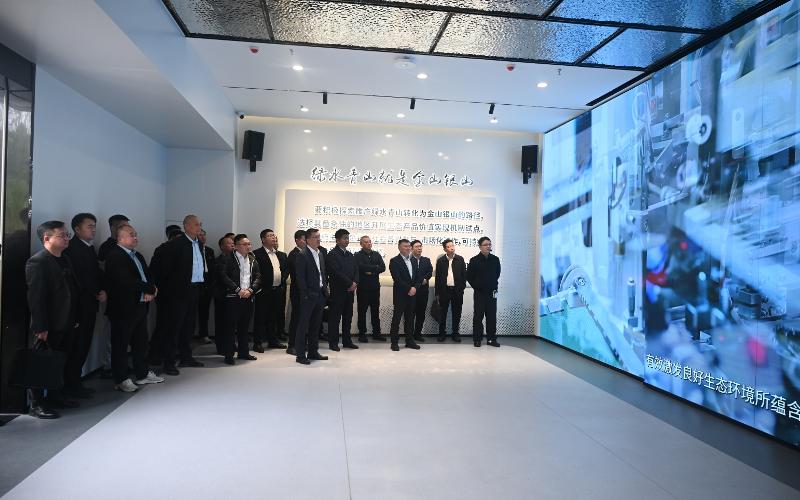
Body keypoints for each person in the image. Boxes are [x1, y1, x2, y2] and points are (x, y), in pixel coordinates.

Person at [25, 221, 80, 419]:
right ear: (47, 238)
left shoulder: (64, 259)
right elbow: (36, 297)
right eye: (62, 235)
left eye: (67, 235)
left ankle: (56, 396)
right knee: (41, 364)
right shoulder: (38, 262)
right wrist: (40, 326)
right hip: (49, 324)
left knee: (60, 362)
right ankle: (37, 404)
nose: (66, 238)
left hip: (67, 321)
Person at [104, 225, 164, 392]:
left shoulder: (137, 255)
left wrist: (151, 289)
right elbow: (126, 281)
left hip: (140, 305)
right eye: (131, 235)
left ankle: (142, 374)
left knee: (141, 343)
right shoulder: (115, 256)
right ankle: (121, 379)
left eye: (136, 234)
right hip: (122, 308)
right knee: (121, 345)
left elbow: (148, 275)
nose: (136, 237)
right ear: (120, 238)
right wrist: (150, 289)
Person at [153, 214, 206, 375]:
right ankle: (168, 362)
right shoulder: (174, 245)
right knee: (173, 328)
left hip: (194, 290)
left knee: (189, 326)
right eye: (196, 224)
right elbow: (166, 271)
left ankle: (186, 357)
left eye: (200, 224)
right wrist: (171, 291)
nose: (199, 227)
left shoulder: (198, 243)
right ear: (186, 226)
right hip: (177, 293)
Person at [62, 213, 106, 398]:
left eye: (94, 226)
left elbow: (95, 273)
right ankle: (70, 386)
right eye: (89, 226)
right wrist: (97, 291)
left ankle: (75, 384)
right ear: (77, 229)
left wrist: (102, 289)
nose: (93, 230)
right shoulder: (73, 249)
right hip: (79, 308)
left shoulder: (88, 248)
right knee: (76, 347)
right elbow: (80, 279)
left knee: (83, 346)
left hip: (89, 305)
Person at [216, 234, 261, 364]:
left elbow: (258, 276)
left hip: (248, 297)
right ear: (236, 246)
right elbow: (223, 276)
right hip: (233, 297)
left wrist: (251, 290)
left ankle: (243, 352)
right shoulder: (227, 258)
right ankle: (229, 355)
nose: (248, 246)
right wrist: (238, 290)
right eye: (244, 244)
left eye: (249, 244)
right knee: (230, 327)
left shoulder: (252, 259)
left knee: (244, 327)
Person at [147, 226, 185, 365]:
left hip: (173, 294)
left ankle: (165, 353)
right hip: (166, 294)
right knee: (164, 325)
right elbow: (156, 272)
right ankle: (157, 355)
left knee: (171, 325)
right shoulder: (163, 250)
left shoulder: (169, 250)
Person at [293, 228, 329, 364]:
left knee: (315, 325)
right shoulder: (302, 254)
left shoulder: (320, 253)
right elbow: (300, 278)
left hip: (320, 294)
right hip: (308, 296)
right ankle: (300, 355)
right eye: (315, 237)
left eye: (319, 236)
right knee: (303, 326)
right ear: (307, 239)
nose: (318, 239)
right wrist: (305, 295)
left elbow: (322, 274)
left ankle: (313, 352)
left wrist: (325, 289)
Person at [252, 228, 288, 352]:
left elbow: (285, 270)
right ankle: (257, 342)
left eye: (274, 235)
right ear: (263, 239)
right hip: (263, 291)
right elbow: (255, 273)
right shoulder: (256, 254)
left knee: (274, 316)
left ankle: (273, 340)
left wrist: (281, 282)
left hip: (277, 290)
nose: (273, 237)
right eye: (270, 235)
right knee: (260, 317)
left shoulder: (280, 254)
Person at [326, 229, 359, 351]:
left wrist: (355, 282)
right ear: (337, 240)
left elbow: (356, 270)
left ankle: (347, 341)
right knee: (335, 318)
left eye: (348, 238)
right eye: (344, 238)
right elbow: (336, 272)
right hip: (338, 291)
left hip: (350, 291)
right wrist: (350, 283)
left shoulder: (350, 255)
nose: (347, 240)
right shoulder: (332, 255)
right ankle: (333, 343)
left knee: (347, 317)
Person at [466, 236, 501, 347]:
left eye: (489, 244)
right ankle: (477, 339)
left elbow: (497, 274)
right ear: (480, 247)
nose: (488, 246)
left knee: (491, 316)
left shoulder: (495, 259)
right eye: (485, 245)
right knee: (478, 316)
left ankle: (491, 339)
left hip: (492, 292)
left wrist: (492, 285)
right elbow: (469, 276)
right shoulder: (474, 260)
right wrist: (477, 286)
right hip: (479, 293)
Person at [388, 239, 420, 351]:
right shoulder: (394, 261)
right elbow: (397, 279)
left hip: (412, 294)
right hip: (400, 295)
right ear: (399, 248)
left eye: (409, 246)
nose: (408, 248)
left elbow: (418, 277)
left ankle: (409, 341)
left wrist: (415, 287)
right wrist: (409, 288)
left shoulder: (414, 260)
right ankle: (394, 342)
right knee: (396, 319)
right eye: (405, 246)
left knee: (410, 319)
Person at [354, 235, 386, 342]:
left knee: (375, 312)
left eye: (369, 241)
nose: (368, 243)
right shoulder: (357, 255)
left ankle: (376, 333)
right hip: (362, 288)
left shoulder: (376, 254)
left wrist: (371, 270)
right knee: (362, 312)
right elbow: (359, 267)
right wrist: (375, 267)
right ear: (361, 244)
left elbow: (382, 267)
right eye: (366, 242)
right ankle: (362, 334)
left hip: (375, 288)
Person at [434, 239, 466, 343]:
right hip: (444, 291)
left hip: (457, 291)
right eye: (448, 246)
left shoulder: (460, 259)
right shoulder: (441, 261)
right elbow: (438, 278)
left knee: (457, 313)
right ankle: (441, 333)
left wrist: (461, 288)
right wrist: (437, 293)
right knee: (442, 313)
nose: (451, 248)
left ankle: (455, 333)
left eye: (452, 245)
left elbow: (464, 276)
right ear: (445, 249)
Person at [285, 230, 306, 356]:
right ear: (297, 240)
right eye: (303, 239)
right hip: (297, 291)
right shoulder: (294, 254)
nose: (305, 241)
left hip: (306, 291)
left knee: (304, 319)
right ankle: (291, 345)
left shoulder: (306, 253)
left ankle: (300, 343)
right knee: (296, 318)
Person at [214, 234, 235, 355]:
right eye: (229, 243)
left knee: (231, 323)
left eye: (233, 243)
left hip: (234, 296)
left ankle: (230, 345)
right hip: (222, 296)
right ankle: (221, 347)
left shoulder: (237, 259)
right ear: (221, 246)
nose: (232, 245)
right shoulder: (218, 260)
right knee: (221, 322)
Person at [410, 240, 433, 343]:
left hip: (423, 291)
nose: (419, 248)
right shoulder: (408, 260)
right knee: (410, 314)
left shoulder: (426, 260)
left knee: (421, 313)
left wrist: (426, 278)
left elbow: (429, 271)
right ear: (411, 248)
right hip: (412, 291)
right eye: (417, 246)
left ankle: (418, 334)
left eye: (420, 246)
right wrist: (420, 280)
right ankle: (409, 334)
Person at [196, 229, 215, 345]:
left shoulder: (209, 250)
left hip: (207, 284)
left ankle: (204, 334)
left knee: (204, 312)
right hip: (196, 284)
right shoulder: (193, 250)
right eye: (200, 235)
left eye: (204, 235)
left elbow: (212, 269)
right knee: (191, 312)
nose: (202, 237)